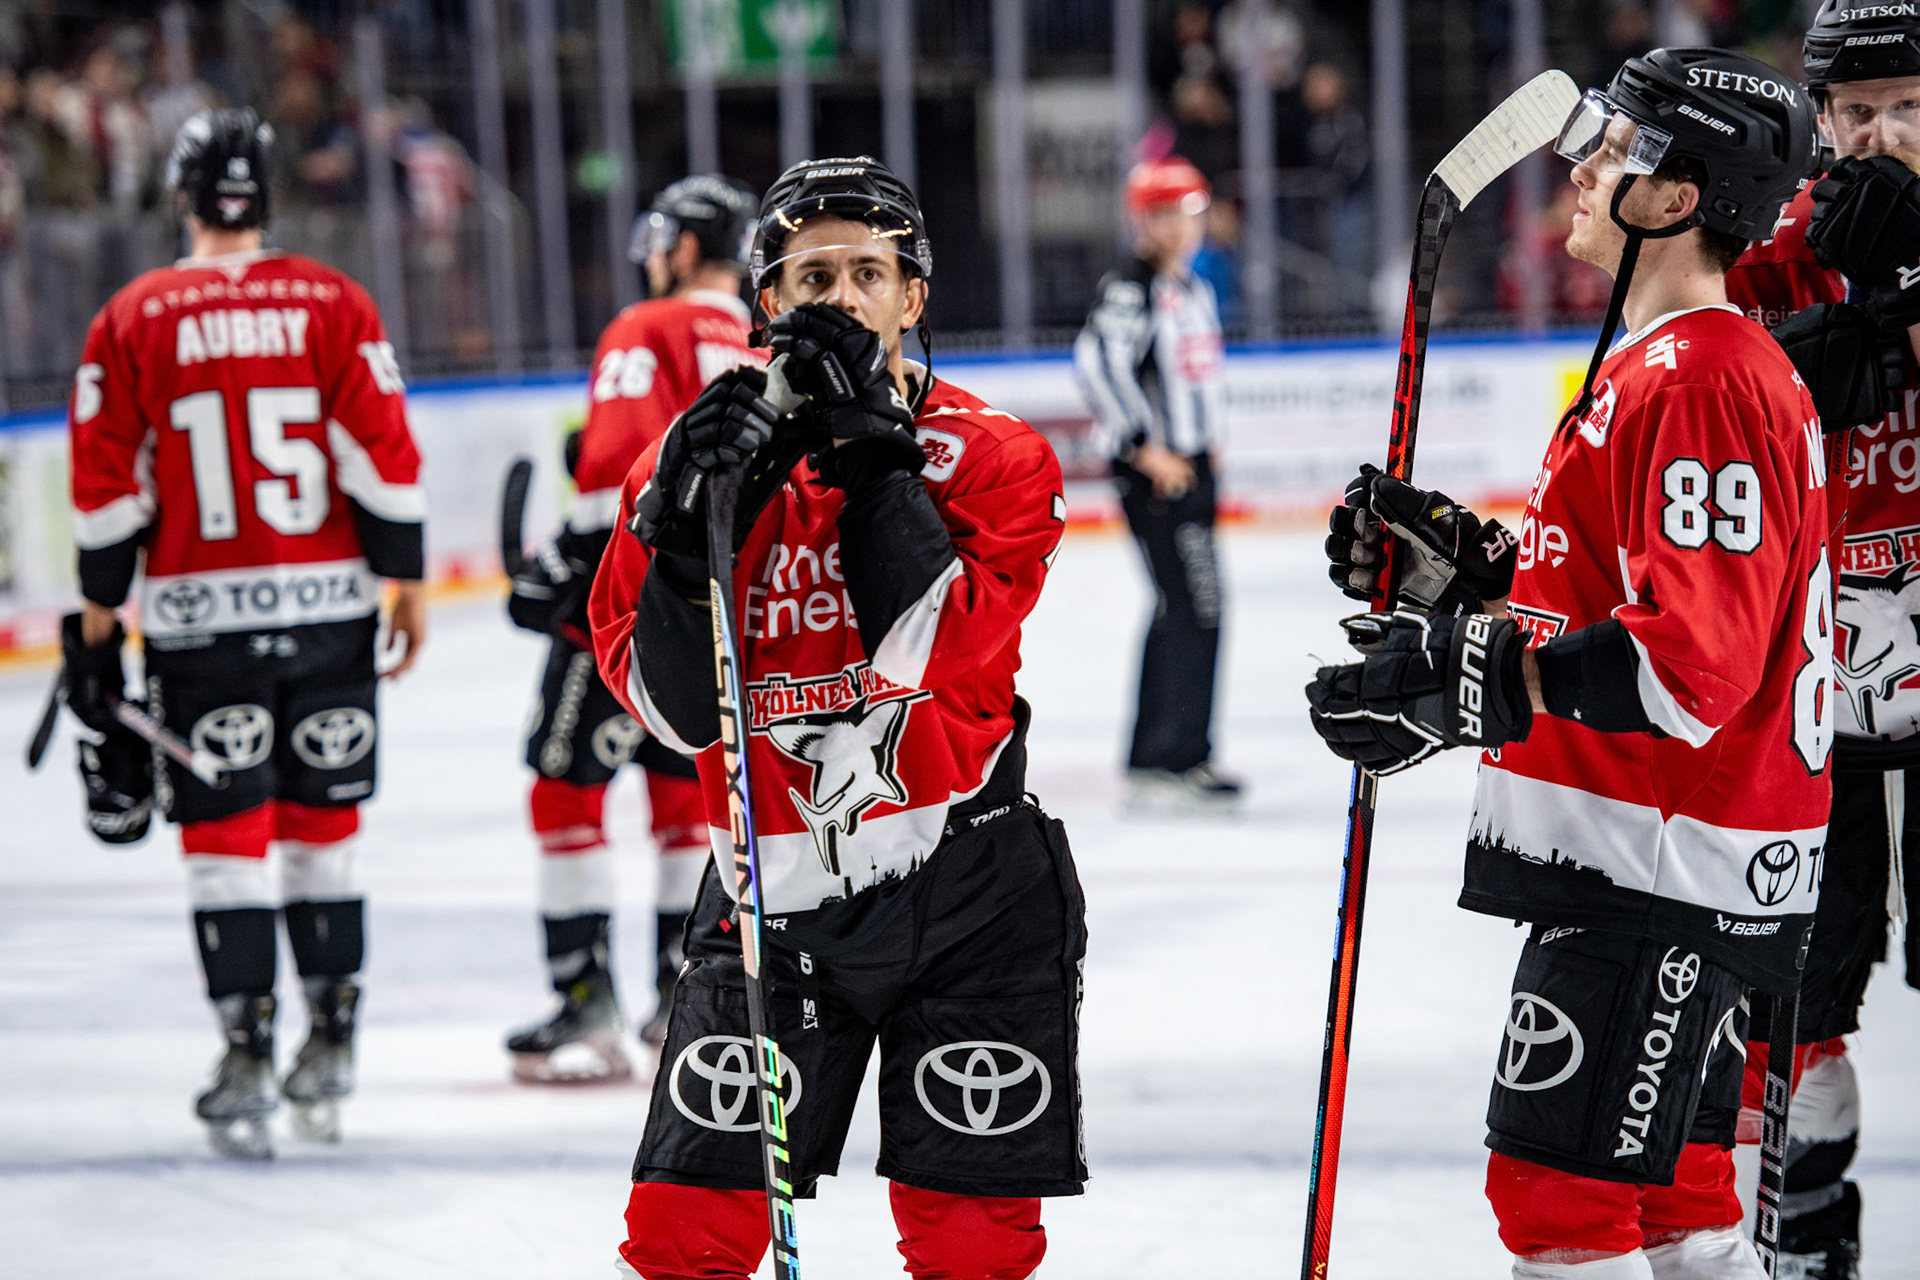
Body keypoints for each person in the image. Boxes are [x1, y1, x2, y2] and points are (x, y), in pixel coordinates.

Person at [1310, 50, 1828, 1277]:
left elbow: (1693, 666)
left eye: (1617, 150)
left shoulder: (1701, 377)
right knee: (1682, 1206)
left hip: (1664, 868)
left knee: (1558, 1204)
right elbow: (1610, 597)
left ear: (1678, 194)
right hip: (1674, 865)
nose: (1584, 168)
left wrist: (1475, 673)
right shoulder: (1663, 367)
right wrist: (1466, 578)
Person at [589, 155, 1083, 1280]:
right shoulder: (701, 460)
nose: (843, 297)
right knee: (682, 1238)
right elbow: (670, 713)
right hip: (767, 891)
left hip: (965, 889)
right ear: (766, 301)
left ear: (914, 297)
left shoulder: (995, 456)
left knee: (970, 1246)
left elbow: (926, 652)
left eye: (871, 271)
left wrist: (869, 451)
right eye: (814, 275)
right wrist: (680, 526)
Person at [62, 108, 425, 1159]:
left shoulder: (132, 314)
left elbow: (106, 497)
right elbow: (381, 456)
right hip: (329, 615)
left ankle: (247, 1054)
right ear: (269, 192)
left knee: (225, 849)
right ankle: (334, 1046)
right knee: (327, 833)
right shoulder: (334, 301)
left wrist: (94, 637)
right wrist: (402, 584)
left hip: (197, 621)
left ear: (181, 195)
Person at [1720, 4, 1920, 1273]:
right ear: (1817, 122)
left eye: (1911, 107)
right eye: (1856, 113)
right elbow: (1693, 395)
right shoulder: (1772, 246)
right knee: (1794, 993)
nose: (1884, 136)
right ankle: (1805, 1239)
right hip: (1812, 676)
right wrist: (1808, 351)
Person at [502, 174, 760, 1082]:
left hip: (626, 609)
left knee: (563, 792)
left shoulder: (642, 329)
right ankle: (677, 996)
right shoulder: (757, 336)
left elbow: (614, 467)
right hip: (726, 615)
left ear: (683, 247)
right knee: (684, 802)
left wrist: (566, 571)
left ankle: (584, 999)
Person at [1072, 156, 1241, 809]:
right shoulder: (1130, 287)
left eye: (1187, 214)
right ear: (1141, 220)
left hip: (1190, 467)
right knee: (1199, 604)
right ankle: (1180, 755)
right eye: (1163, 215)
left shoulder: (1190, 288)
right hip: (1160, 477)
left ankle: (1156, 751)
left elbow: (1198, 376)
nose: (1178, 228)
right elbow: (1098, 366)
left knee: (1180, 603)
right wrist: (1149, 449)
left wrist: (1208, 444)